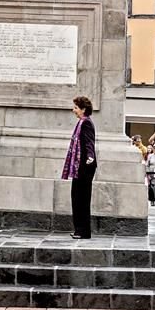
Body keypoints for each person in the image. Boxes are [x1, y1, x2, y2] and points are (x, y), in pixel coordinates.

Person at [62, 95, 97, 239]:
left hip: (85, 165)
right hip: (80, 165)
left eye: (76, 108)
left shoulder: (86, 123)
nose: (73, 110)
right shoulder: (82, 122)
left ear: (83, 109)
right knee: (77, 196)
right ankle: (80, 230)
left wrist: (90, 156)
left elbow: (89, 141)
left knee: (81, 198)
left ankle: (82, 231)